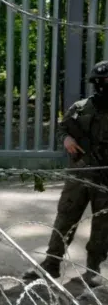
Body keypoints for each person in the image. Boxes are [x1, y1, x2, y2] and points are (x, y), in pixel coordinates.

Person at [22, 60, 108, 287]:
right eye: (101, 81)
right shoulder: (80, 108)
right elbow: (62, 128)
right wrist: (67, 139)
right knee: (65, 219)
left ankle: (93, 268)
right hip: (78, 175)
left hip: (106, 178)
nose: (104, 85)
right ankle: (51, 264)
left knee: (102, 225)